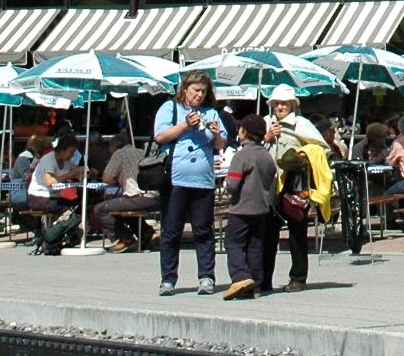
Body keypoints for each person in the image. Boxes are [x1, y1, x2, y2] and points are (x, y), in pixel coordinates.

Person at [154, 69, 227, 297]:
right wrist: (185, 125)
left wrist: (216, 135)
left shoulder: (211, 112)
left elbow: (221, 144)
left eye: (203, 91)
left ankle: (206, 277)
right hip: (175, 178)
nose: (199, 95)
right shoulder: (170, 108)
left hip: (203, 180)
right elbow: (160, 136)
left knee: (203, 231)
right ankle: (168, 279)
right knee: (171, 230)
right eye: (196, 90)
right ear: (185, 89)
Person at [266, 85, 331, 290]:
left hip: (294, 184)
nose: (280, 107)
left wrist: (303, 155)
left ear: (292, 105)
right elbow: (249, 144)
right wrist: (266, 137)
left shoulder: (302, 124)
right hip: (269, 184)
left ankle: (298, 278)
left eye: (284, 103)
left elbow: (323, 149)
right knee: (268, 233)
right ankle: (264, 279)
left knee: (297, 231)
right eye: (277, 103)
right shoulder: (266, 123)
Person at [219, 112, 278, 300]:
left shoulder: (242, 155)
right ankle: (256, 286)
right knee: (255, 246)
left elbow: (233, 184)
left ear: (243, 132)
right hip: (262, 208)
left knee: (233, 243)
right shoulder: (267, 156)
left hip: (241, 208)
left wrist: (226, 184)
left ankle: (241, 276)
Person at [93, 133, 160, 252]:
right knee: (122, 205)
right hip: (156, 197)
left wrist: (117, 178)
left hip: (140, 197)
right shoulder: (141, 152)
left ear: (113, 147)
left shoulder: (119, 154)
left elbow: (107, 178)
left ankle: (125, 238)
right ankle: (147, 233)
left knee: (100, 209)